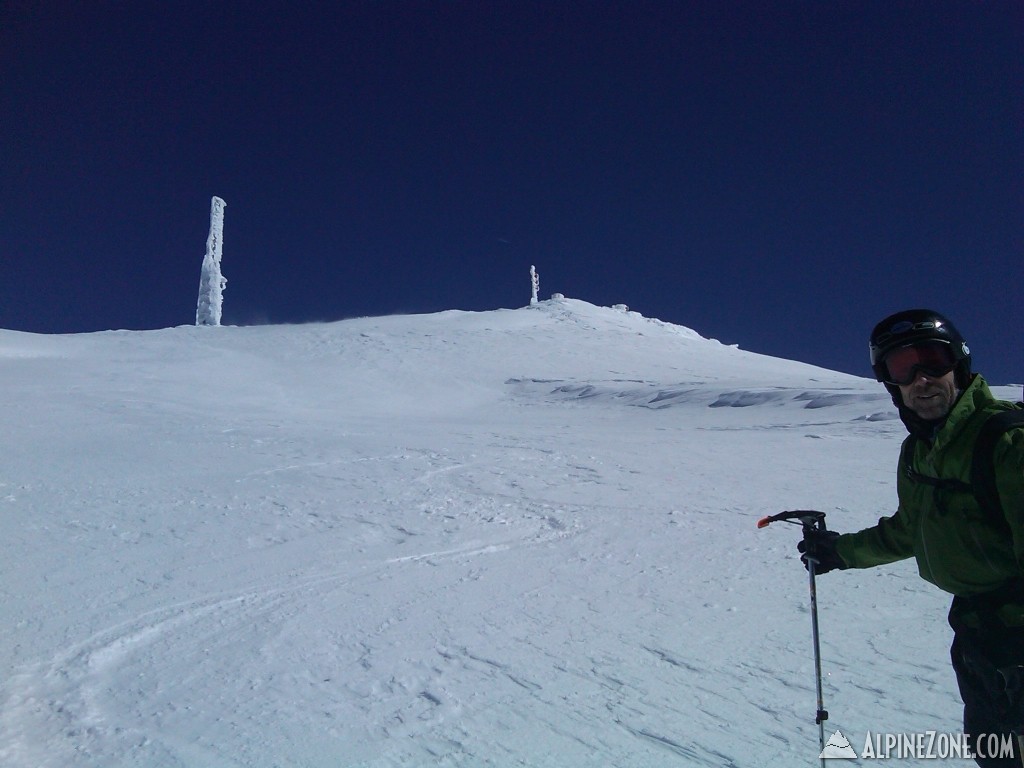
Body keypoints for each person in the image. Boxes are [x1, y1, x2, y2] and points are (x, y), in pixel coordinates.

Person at [799, 309, 1024, 767]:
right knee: (994, 754)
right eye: (904, 369)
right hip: (979, 632)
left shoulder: (1007, 441)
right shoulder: (919, 451)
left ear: (957, 366)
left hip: (1014, 635)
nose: (921, 379)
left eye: (932, 362)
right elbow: (911, 529)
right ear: (890, 383)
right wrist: (841, 552)